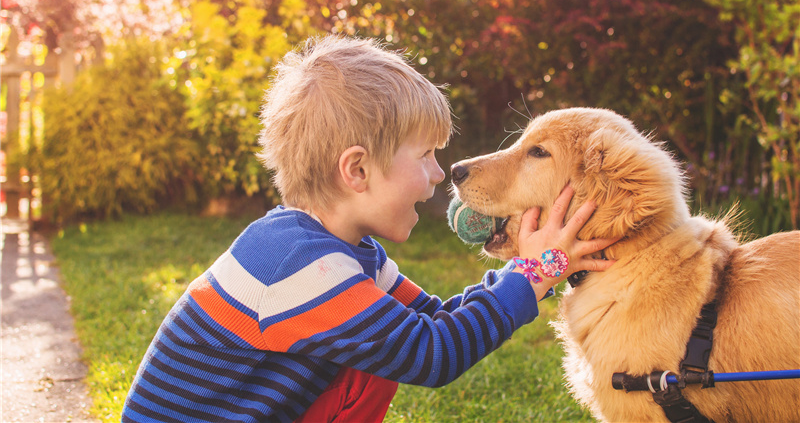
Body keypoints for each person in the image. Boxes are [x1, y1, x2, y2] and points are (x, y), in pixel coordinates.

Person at [121, 35, 616, 423]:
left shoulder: (350, 254)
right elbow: (433, 354)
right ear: (356, 171)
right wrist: (537, 270)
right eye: (425, 156)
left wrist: (527, 268)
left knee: (376, 360)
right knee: (380, 361)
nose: (439, 175)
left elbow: (434, 322)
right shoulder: (298, 265)